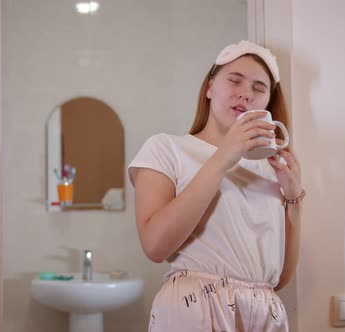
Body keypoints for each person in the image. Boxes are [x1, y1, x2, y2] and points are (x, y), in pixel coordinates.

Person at [128, 40, 305, 332]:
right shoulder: (166, 148)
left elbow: (279, 279)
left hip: (265, 313)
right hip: (194, 309)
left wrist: (294, 198)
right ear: (210, 88)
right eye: (234, 80)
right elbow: (155, 245)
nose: (245, 94)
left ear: (267, 104)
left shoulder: (271, 169)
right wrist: (224, 155)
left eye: (259, 89)